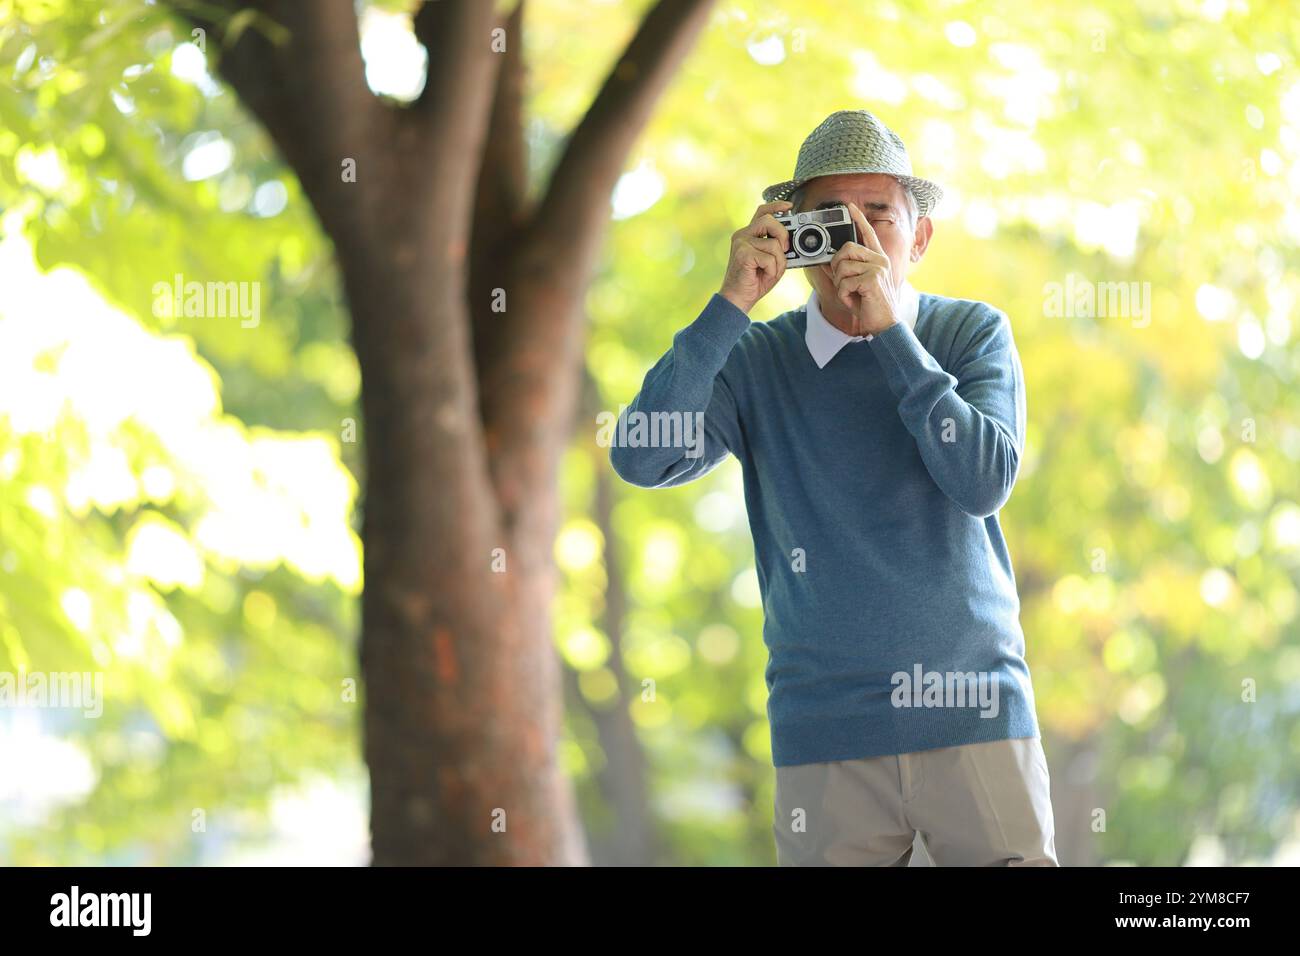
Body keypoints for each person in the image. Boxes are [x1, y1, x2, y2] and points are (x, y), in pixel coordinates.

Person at [608, 109, 1057, 866]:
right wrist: (728, 307)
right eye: (828, 218)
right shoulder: (755, 359)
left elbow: (982, 482)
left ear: (919, 238)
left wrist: (893, 340)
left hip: (977, 714)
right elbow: (639, 457)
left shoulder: (970, 333)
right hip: (825, 735)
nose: (853, 238)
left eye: (876, 214)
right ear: (791, 235)